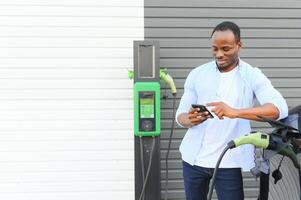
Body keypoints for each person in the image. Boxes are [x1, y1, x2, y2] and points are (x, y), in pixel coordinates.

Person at [176, 21, 288, 200]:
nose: (219, 54)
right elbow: (180, 115)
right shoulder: (197, 74)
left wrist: (235, 112)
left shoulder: (251, 75)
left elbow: (278, 109)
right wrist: (190, 119)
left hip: (228, 160)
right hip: (193, 160)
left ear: (239, 46)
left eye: (225, 49)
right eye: (214, 49)